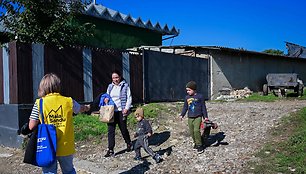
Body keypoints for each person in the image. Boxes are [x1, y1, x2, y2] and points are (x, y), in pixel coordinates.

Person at [28, 73, 89, 174]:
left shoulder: (39, 103)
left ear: (42, 87)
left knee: (49, 172)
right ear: (58, 85)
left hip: (48, 144)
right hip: (66, 145)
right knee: (69, 171)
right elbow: (80, 109)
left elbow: (31, 126)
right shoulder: (69, 101)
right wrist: (87, 107)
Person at [89, 71, 133, 157]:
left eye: (116, 77)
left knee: (123, 129)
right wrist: (106, 100)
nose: (115, 79)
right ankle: (110, 149)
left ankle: (129, 143)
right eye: (113, 78)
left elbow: (129, 98)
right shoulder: (110, 87)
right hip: (111, 111)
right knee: (111, 131)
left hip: (121, 111)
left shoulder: (125, 86)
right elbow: (107, 96)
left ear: (120, 77)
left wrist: (126, 108)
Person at [179, 81, 208, 154]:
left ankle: (199, 145)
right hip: (190, 117)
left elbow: (203, 107)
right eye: (187, 90)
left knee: (196, 130)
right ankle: (196, 142)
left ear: (194, 89)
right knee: (192, 132)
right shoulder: (187, 98)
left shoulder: (200, 97)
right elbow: (185, 107)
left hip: (198, 116)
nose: (188, 92)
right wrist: (182, 115)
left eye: (189, 90)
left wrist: (205, 117)